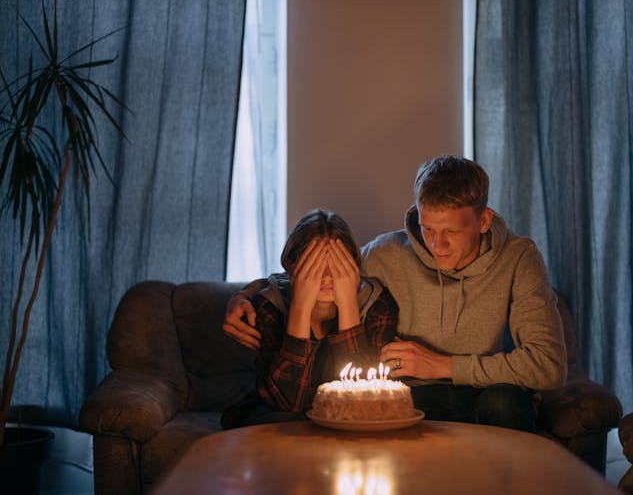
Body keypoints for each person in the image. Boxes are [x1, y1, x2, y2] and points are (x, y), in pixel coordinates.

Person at [223, 156, 566, 432]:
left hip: (484, 392)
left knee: (505, 403)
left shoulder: (519, 257)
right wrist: (244, 294)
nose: (436, 245)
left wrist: (443, 365)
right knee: (373, 417)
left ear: (483, 220)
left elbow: (549, 366)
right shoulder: (386, 253)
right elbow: (313, 273)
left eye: (451, 232)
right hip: (411, 394)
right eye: (427, 228)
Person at [221, 208, 398, 428]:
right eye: (313, 264)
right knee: (281, 421)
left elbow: (359, 400)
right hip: (277, 410)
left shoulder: (376, 304)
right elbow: (287, 403)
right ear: (291, 266)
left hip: (344, 415)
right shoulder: (269, 305)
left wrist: (348, 306)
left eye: (336, 264)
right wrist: (300, 308)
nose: (325, 276)